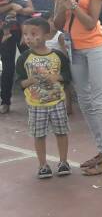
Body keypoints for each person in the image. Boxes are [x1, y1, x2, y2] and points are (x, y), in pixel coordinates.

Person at [46, 0, 102, 176]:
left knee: (99, 99)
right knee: (84, 100)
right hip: (73, 48)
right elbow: (56, 25)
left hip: (94, 47)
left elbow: (90, 22)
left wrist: (70, 2)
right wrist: (59, 5)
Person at [15, 16, 72, 180]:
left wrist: (57, 77)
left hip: (57, 102)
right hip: (36, 104)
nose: (29, 38)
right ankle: (43, 165)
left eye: (34, 34)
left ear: (47, 36)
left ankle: (63, 162)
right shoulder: (24, 58)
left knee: (61, 132)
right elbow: (20, 81)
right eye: (26, 34)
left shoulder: (58, 56)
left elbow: (67, 76)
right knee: (39, 135)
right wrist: (30, 81)